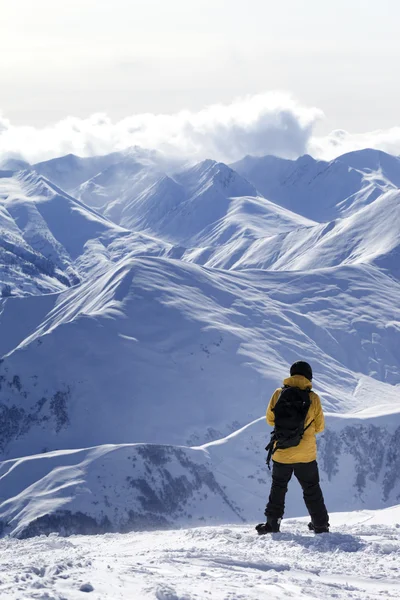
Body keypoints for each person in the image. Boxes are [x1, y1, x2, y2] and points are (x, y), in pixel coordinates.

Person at [256, 361, 329, 534]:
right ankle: (320, 525)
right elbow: (320, 427)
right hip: (306, 456)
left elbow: (270, 420)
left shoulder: (279, 393)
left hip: (281, 452)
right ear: (308, 376)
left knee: (278, 488)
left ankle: (272, 524)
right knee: (311, 489)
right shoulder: (313, 398)